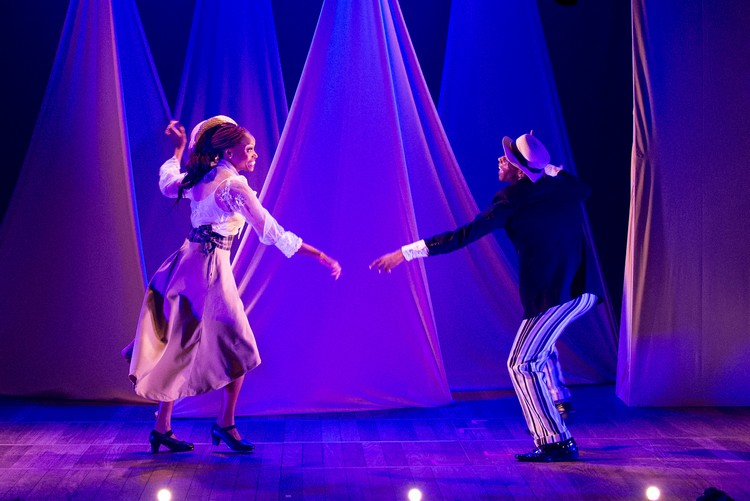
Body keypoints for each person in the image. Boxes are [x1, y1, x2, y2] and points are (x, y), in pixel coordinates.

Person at [370, 132, 600, 462]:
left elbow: (463, 235)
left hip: (555, 296)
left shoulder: (511, 199)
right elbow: (583, 188)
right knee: (536, 351)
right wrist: (548, 169)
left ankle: (555, 441)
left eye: (508, 158)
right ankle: (556, 405)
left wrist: (405, 253)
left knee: (522, 363)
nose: (500, 159)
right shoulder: (563, 188)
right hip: (580, 291)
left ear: (519, 171)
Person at [126, 116, 342, 454]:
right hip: (209, 269)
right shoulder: (233, 186)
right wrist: (319, 255)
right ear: (229, 152)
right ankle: (224, 423)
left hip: (186, 263)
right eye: (249, 149)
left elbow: (168, 183)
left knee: (181, 344)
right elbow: (271, 231)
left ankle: (163, 427)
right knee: (238, 347)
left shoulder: (201, 176)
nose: (255, 154)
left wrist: (178, 151)